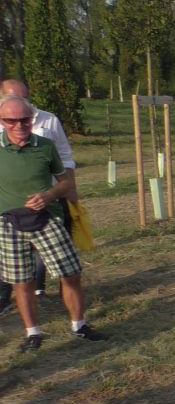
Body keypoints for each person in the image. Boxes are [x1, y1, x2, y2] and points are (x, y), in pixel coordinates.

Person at [0, 94, 104, 352]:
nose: (19, 126)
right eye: (11, 121)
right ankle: (32, 333)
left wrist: (48, 195)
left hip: (47, 219)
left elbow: (66, 182)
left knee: (71, 274)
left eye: (24, 120)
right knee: (22, 282)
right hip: (8, 224)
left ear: (31, 119)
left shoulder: (45, 146)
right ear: (2, 121)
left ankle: (79, 325)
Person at [0, 79, 78, 308]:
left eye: (25, 97)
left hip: (49, 198)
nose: (22, 103)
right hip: (8, 203)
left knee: (53, 252)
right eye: (15, 97)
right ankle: (4, 296)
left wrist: (71, 190)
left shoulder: (49, 119)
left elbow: (65, 156)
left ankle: (43, 292)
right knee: (9, 255)